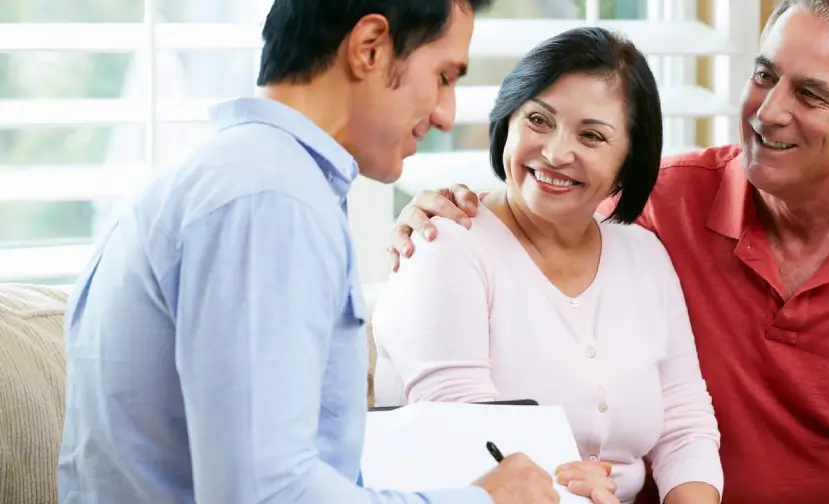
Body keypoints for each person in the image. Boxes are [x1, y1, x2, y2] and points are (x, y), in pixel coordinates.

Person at [384, 1, 829, 503]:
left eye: (810, 94)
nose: (768, 112)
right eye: (764, 75)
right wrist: (433, 216)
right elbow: (546, 207)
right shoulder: (660, 204)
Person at [56, 1, 561, 503]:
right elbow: (265, 495)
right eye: (444, 76)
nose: (446, 116)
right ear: (370, 48)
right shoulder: (271, 200)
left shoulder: (239, 177)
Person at [371, 27, 723, 504]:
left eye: (592, 135)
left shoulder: (644, 255)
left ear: (627, 162)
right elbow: (468, 437)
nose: (556, 153)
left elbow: (685, 425)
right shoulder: (445, 245)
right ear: (507, 121)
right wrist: (573, 489)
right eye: (538, 119)